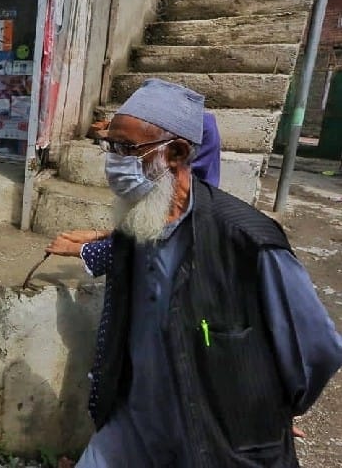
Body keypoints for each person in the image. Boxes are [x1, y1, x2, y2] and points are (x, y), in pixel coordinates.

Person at [71, 78, 342, 467]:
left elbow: (317, 350)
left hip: (214, 439)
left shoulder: (246, 240)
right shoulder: (136, 225)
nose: (113, 161)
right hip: (136, 423)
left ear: (177, 152)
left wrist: (269, 413)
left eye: (126, 149)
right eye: (110, 147)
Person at [47, 111, 222, 267]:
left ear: (176, 153)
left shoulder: (198, 213)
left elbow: (156, 254)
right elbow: (147, 232)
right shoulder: (162, 189)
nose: (118, 158)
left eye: (129, 148)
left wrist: (83, 250)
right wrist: (100, 235)